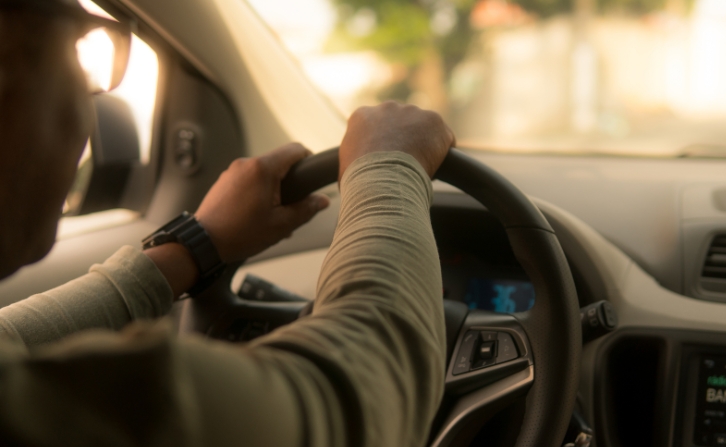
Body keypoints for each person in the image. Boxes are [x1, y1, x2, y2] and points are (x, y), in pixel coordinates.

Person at [0, 1, 455, 446]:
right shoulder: (77, 409)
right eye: (77, 49)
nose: (90, 103)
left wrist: (198, 244)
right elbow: (351, 397)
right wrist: (389, 168)